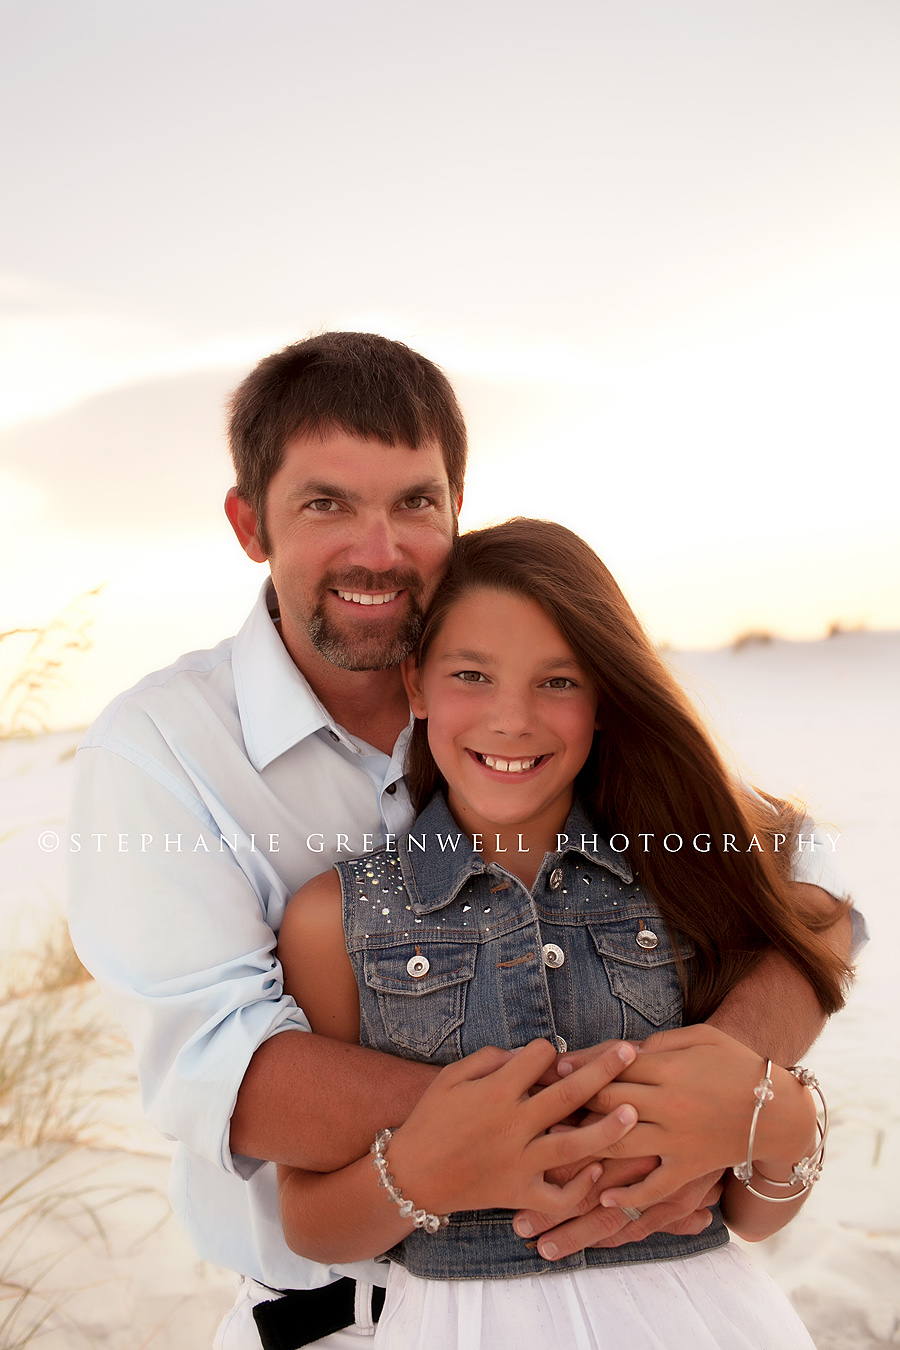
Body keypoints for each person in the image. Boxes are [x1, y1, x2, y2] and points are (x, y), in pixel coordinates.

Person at [66, 333, 858, 1349]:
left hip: (656, 1291)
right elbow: (230, 1074)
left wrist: (732, 1091)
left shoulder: (529, 704)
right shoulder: (159, 749)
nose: (378, 549)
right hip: (342, 1322)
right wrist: (591, 1134)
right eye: (325, 504)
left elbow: (808, 878)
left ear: (454, 510)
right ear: (247, 522)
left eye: (414, 502)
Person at [275, 518, 850, 1348]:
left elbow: (754, 1215)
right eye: (473, 674)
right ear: (418, 684)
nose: (512, 721)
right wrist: (423, 1172)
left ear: (606, 698)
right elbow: (308, 1220)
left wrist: (788, 1121)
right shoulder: (337, 918)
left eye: (558, 682)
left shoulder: (679, 881)